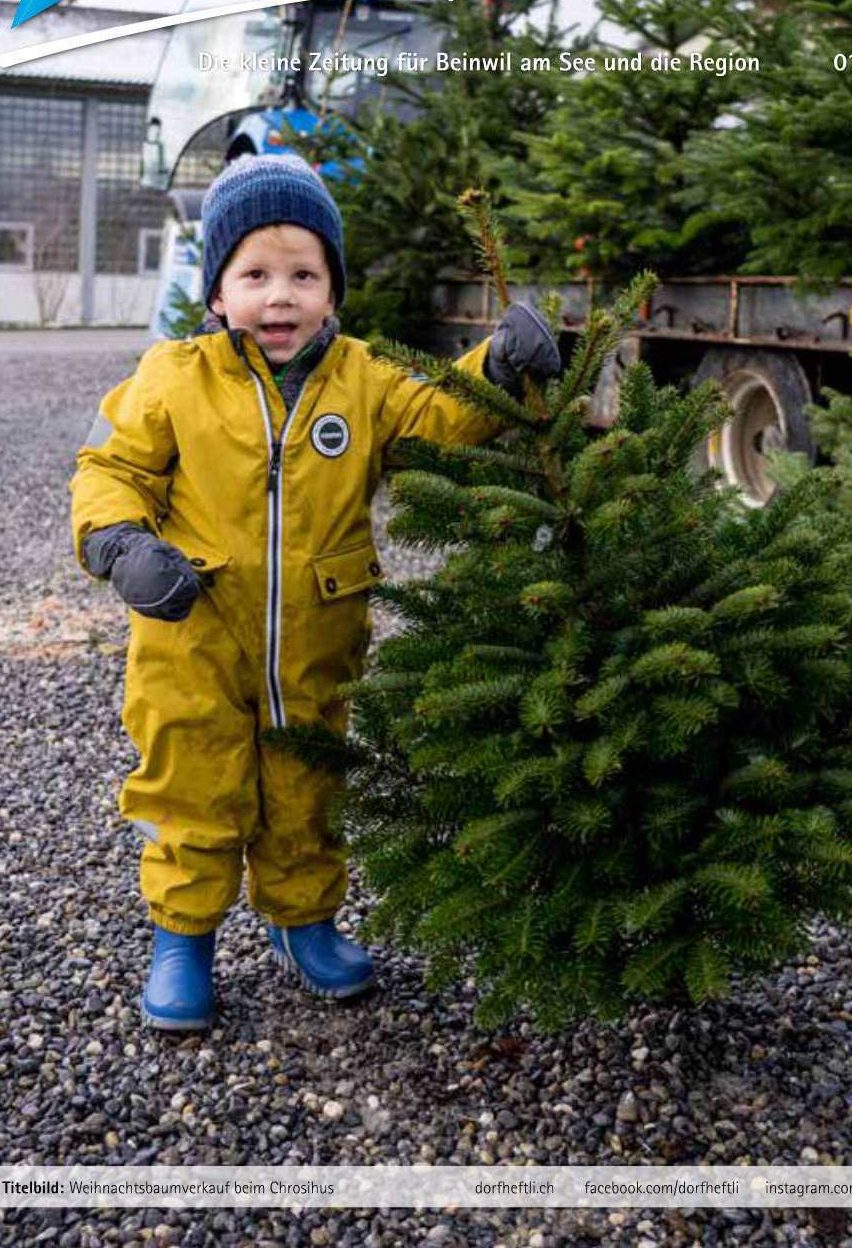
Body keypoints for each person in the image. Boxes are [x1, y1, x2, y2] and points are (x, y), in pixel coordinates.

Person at [70, 154, 561, 1031]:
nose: (281, 296)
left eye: (304, 274)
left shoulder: (364, 379)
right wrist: (118, 543)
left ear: (333, 289)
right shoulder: (172, 376)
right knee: (193, 783)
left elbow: (438, 415)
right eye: (256, 275)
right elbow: (111, 466)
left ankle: (302, 920)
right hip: (192, 638)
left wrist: (494, 369)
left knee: (307, 784)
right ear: (218, 291)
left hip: (317, 640)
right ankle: (183, 934)